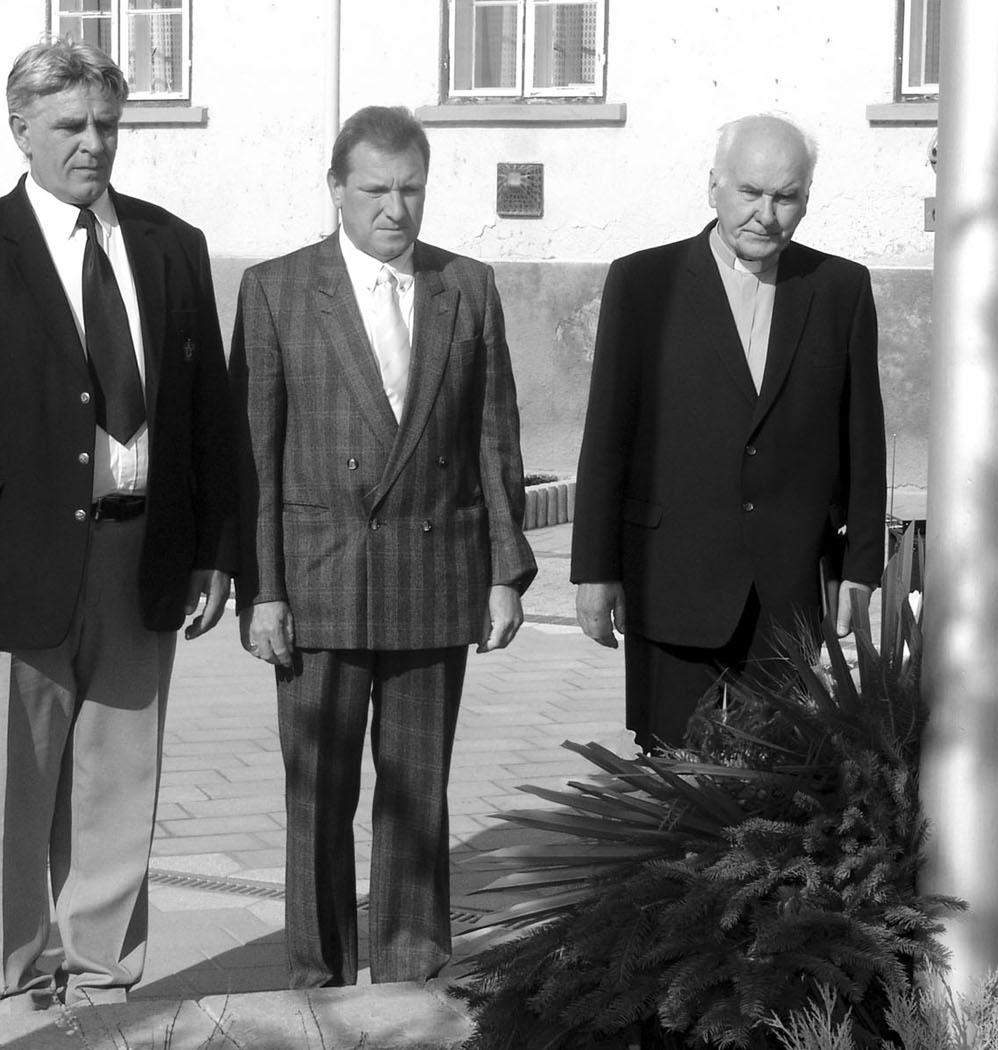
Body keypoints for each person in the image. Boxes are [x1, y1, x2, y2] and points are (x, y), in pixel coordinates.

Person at [0, 38, 235, 1011]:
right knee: (12, 790)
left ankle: (102, 980)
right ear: (21, 130)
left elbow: (206, 412)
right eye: (72, 126)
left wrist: (214, 551)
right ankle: (6, 987)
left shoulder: (171, 245)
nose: (94, 143)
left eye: (108, 125)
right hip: (15, 568)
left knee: (118, 788)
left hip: (141, 555)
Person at [233, 105, 535, 988]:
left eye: (411, 190)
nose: (394, 209)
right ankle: (319, 976)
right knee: (317, 797)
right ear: (336, 189)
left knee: (417, 795)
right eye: (374, 190)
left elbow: (495, 438)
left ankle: (410, 973)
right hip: (318, 581)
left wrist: (505, 573)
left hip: (434, 575)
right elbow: (256, 452)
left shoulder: (466, 285)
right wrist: (263, 590)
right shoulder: (277, 289)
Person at [570, 113, 886, 753]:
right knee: (674, 769)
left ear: (807, 198)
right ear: (713, 185)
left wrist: (861, 568)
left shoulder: (839, 289)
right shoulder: (643, 283)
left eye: (786, 197)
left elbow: (864, 438)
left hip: (787, 587)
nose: (766, 215)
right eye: (750, 192)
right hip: (672, 575)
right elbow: (607, 435)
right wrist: (594, 570)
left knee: (781, 775)